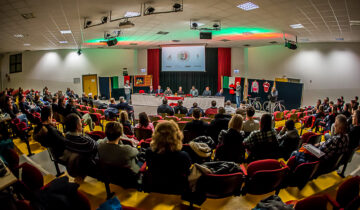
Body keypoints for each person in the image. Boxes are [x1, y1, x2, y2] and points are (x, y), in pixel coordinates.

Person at [145, 120, 191, 193]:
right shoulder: (183, 156)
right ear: (177, 136)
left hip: (155, 190)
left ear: (156, 135)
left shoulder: (149, 152)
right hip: (176, 192)